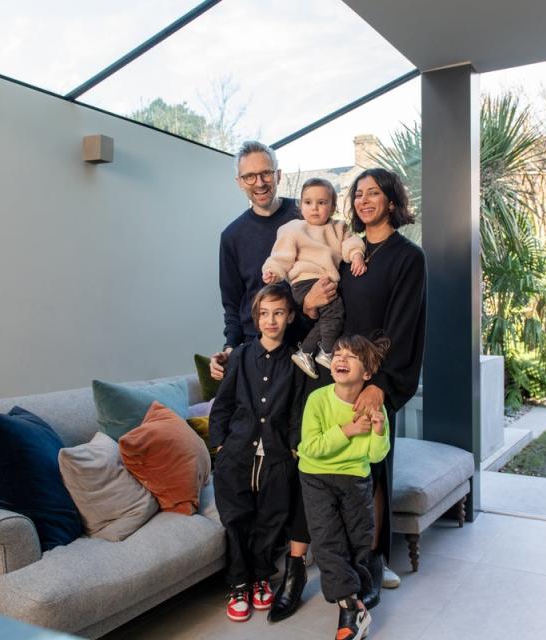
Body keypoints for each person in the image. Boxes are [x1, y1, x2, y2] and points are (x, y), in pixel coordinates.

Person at [209, 141, 337, 623]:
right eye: (249, 176)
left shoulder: (306, 213)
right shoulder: (232, 236)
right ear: (239, 182)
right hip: (251, 357)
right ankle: (262, 574)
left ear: (278, 175)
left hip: (305, 352)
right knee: (254, 473)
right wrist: (231, 351)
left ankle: (307, 563)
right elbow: (231, 305)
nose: (259, 182)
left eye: (266, 173)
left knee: (298, 455)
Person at [337, 168, 426, 608]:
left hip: (376, 382)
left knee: (372, 474)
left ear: (391, 201)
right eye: (358, 194)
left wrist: (381, 387)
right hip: (337, 379)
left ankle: (373, 563)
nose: (364, 200)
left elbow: (402, 328)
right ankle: (344, 560)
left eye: (374, 193)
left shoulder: (408, 257)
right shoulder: (346, 253)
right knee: (339, 472)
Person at [208, 284, 305, 622]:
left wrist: (293, 451)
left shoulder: (295, 363)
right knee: (236, 519)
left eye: (279, 313)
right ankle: (238, 585)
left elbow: (295, 412)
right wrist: (219, 446)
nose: (271, 320)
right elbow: (222, 406)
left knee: (270, 518)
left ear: (290, 316)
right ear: (256, 317)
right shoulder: (241, 356)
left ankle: (261, 578)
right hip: (236, 454)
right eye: (264, 313)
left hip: (277, 456)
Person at [297, 335, 391, 640]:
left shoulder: (375, 405)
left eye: (350, 357)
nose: (340, 359)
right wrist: (348, 430)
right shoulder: (318, 399)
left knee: (358, 541)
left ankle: (352, 602)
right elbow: (310, 447)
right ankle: (351, 611)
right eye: (337, 354)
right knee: (327, 542)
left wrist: (377, 431)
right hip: (316, 477)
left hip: (355, 479)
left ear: (366, 373)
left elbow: (377, 455)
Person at [262, 178, 366, 379]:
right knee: (335, 312)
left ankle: (306, 352)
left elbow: (351, 244)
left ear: (333, 206)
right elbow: (282, 256)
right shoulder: (294, 229)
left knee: (330, 316)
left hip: (326, 282)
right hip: (304, 281)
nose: (315, 208)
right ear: (301, 206)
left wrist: (356, 255)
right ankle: (327, 351)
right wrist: (273, 271)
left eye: (322, 202)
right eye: (308, 202)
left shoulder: (338, 228)